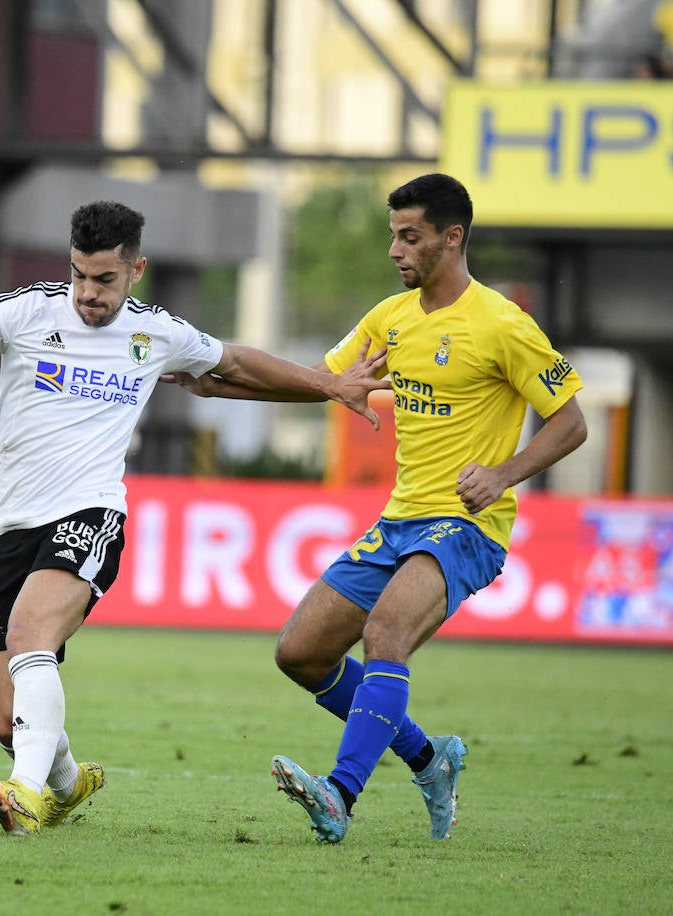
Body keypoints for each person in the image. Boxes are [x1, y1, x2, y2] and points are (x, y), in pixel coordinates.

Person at [0, 200, 391, 835]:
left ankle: (23, 795)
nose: (87, 293)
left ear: (136, 270)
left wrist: (330, 385)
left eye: (104, 279)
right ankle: (68, 782)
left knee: (29, 637)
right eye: (79, 274)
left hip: (91, 514)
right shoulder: (25, 309)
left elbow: (236, 364)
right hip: (10, 527)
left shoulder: (157, 333)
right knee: (4, 716)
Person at [171, 173, 588, 844]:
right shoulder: (390, 320)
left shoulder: (502, 324)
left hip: (466, 526)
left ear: (451, 239)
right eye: (393, 235)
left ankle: (340, 795)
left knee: (387, 634)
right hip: (400, 523)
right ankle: (430, 758)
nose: (395, 250)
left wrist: (505, 473)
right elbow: (331, 385)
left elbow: (570, 422)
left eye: (410, 237)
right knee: (301, 654)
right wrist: (222, 390)